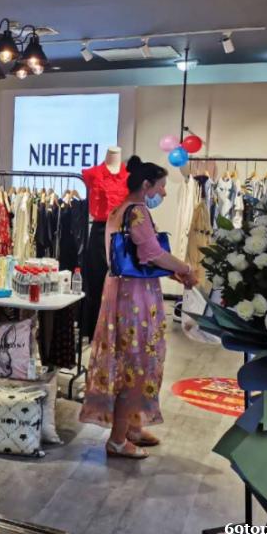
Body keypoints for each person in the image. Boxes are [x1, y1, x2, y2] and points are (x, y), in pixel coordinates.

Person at [79, 155, 199, 459]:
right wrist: (186, 268)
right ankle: (118, 439)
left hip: (123, 290)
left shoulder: (120, 210)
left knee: (130, 358)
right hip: (135, 297)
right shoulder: (138, 212)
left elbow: (136, 256)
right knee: (136, 362)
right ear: (146, 185)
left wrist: (173, 272)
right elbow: (151, 253)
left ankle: (132, 427)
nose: (163, 193)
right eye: (161, 186)